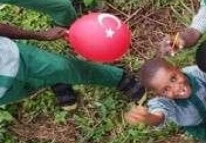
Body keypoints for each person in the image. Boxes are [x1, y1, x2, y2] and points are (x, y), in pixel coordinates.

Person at [0, 23, 143, 108]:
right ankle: (55, 80)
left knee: (65, 68)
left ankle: (118, 78)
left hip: (13, 57)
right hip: (5, 91)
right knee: (31, 87)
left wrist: (41, 35)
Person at [124, 58, 206, 143]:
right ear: (158, 95)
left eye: (173, 79)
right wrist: (148, 118)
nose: (176, 88)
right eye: (166, 90)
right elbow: (159, 117)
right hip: (193, 123)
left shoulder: (197, 73)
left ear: (178, 68)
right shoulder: (163, 102)